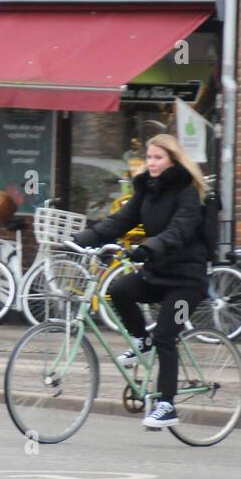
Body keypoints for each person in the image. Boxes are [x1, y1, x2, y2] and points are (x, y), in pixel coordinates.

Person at [72, 133, 209, 428]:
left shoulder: (187, 192)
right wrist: (83, 238)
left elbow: (179, 231)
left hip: (187, 282)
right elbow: (120, 221)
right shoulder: (148, 190)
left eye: (158, 157)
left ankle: (167, 405)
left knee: (165, 335)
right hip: (158, 274)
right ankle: (140, 340)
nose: (152, 163)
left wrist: (148, 248)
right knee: (119, 289)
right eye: (149, 157)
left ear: (173, 160)